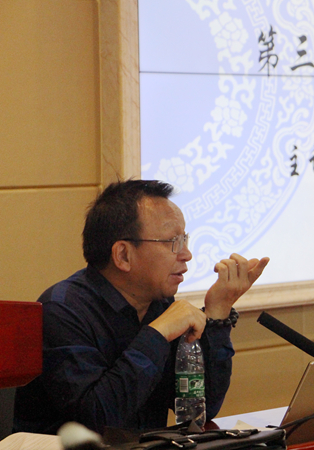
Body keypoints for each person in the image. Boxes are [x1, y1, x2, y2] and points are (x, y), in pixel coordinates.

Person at [12, 180, 269, 435]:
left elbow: (199, 408)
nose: (187, 254)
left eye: (185, 239)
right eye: (173, 241)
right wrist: (157, 334)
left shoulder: (158, 304)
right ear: (123, 255)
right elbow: (96, 421)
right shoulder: (62, 310)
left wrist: (218, 312)